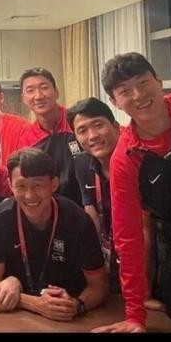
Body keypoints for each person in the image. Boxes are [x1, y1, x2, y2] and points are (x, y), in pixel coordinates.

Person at [92, 53, 171, 334]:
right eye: (125, 91)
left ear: (159, 81)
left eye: (143, 82)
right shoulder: (125, 159)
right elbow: (128, 237)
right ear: (115, 102)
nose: (139, 95)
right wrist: (134, 314)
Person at [0, 148, 107, 322]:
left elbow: (99, 285)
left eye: (38, 186)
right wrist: (34, 303)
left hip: (68, 313)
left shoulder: (77, 219)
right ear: (10, 185)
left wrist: (77, 304)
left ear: (54, 184)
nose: (29, 195)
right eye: (21, 186)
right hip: (16, 315)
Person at [66, 97, 123, 294]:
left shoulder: (134, 159)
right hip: (109, 261)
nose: (92, 136)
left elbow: (145, 229)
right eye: (82, 130)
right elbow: (91, 212)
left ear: (115, 127)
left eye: (98, 125)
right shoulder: (82, 163)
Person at [16, 68, 82, 204]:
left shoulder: (78, 121)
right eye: (30, 90)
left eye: (44, 87)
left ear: (56, 92)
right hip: (49, 207)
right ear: (24, 99)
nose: (38, 96)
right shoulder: (26, 139)